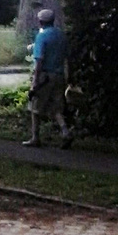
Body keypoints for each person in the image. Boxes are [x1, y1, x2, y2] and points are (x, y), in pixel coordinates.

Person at [24, 8, 72, 148]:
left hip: (44, 76)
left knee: (35, 107)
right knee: (56, 107)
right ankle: (65, 131)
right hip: (59, 75)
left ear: (40, 21)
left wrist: (34, 82)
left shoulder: (42, 36)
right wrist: (70, 76)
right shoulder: (61, 35)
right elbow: (67, 58)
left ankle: (35, 137)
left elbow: (39, 61)